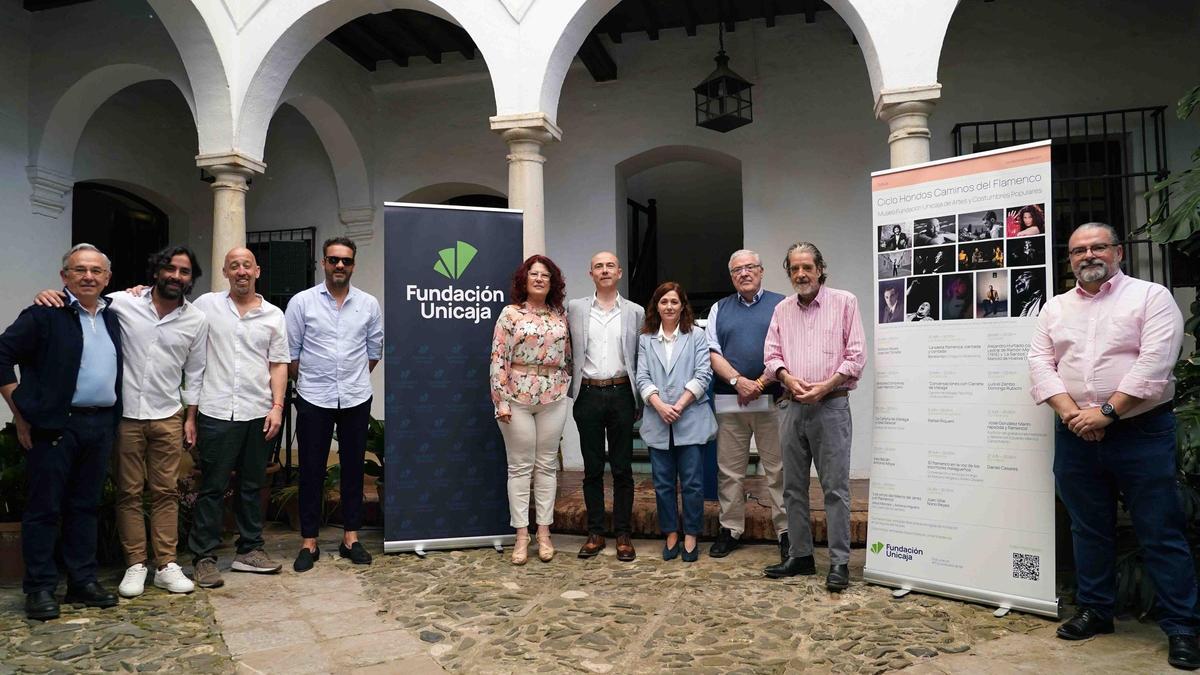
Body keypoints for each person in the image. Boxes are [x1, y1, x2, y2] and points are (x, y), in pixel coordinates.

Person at [1028, 222, 1199, 670]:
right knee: (1088, 529)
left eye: (1097, 247)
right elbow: (1041, 364)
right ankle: (1097, 610)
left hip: (1140, 434)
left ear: (1117, 252)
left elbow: (1155, 364)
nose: (1088, 255)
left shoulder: (1150, 297)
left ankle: (1182, 627)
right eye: (1078, 250)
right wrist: (1072, 415)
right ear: (1069, 260)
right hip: (1075, 434)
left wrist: (1105, 413)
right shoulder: (1056, 307)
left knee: (1160, 530)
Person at [34, 246, 207, 598]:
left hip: (167, 415)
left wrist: (191, 417)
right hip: (125, 416)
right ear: (156, 271)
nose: (176, 276)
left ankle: (166, 565)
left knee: (166, 492)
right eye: (170, 268)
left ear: (191, 279)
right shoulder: (121, 303)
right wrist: (48, 293)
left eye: (185, 271)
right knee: (128, 493)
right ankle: (135, 565)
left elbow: (196, 371)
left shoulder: (196, 320)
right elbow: (82, 297)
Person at [0, 244, 123, 620]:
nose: (88, 276)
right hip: (56, 426)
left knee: (85, 507)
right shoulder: (44, 313)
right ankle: (39, 589)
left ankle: (82, 582)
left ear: (107, 278)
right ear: (64, 276)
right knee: (44, 509)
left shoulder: (111, 316)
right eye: (79, 270)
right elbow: (2, 355)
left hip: (99, 424)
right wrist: (20, 410)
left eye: (96, 271)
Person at [761, 242, 865, 592]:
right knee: (792, 487)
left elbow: (856, 356)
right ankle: (801, 556)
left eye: (807, 267)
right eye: (794, 269)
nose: (801, 274)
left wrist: (825, 386)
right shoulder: (781, 310)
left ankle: (838, 562)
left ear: (820, 268)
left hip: (831, 406)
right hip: (791, 407)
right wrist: (788, 378)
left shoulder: (845, 302)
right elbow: (771, 356)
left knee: (835, 488)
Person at [188, 248, 290, 588]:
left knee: (251, 485)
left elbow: (278, 364)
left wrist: (277, 406)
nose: (241, 271)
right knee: (213, 487)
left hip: (258, 411)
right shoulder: (206, 306)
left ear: (257, 271)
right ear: (226, 272)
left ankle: (250, 551)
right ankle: (203, 557)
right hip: (216, 410)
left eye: (247, 265)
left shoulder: (274, 315)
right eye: (235, 266)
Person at [285, 237, 383, 572]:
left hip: (355, 396)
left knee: (353, 468)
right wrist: (316, 378)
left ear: (353, 265)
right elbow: (292, 353)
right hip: (314, 396)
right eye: (333, 260)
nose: (339, 266)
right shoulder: (302, 303)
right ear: (323, 263)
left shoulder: (368, 304)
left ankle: (351, 538)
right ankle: (309, 542)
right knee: (311, 469)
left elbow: (373, 352)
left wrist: (350, 377)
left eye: (345, 261)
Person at [705, 250, 788, 560]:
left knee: (778, 469)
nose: (744, 273)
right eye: (737, 270)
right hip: (731, 400)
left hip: (772, 398)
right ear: (731, 276)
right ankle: (730, 529)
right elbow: (712, 352)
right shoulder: (718, 309)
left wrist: (759, 384)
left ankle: (786, 532)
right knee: (729, 470)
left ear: (762, 271)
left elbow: (786, 348)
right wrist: (738, 381)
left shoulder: (782, 304)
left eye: (750, 267)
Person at [490, 255, 572, 565]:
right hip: (516, 399)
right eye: (533, 274)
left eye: (545, 275)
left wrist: (564, 386)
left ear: (553, 283)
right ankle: (522, 536)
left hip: (553, 397)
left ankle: (545, 533)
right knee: (520, 467)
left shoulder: (559, 316)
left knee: (546, 466)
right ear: (524, 280)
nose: (539, 279)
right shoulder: (510, 315)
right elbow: (498, 358)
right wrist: (500, 400)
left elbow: (568, 356)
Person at [567, 252, 642, 562]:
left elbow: (641, 355)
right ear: (591, 273)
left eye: (610, 265)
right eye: (598, 265)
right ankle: (595, 532)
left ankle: (623, 534)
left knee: (623, 468)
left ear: (620, 272)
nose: (605, 270)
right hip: (588, 394)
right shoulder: (575, 309)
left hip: (623, 393)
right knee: (592, 468)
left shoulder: (636, 312)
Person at [636, 282, 716, 563]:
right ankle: (671, 532)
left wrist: (679, 404)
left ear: (683, 306)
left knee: (693, 482)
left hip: (690, 416)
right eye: (663, 302)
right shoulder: (646, 338)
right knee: (663, 483)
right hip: (658, 419)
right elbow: (642, 377)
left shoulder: (696, 335)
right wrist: (658, 404)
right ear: (656, 306)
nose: (669, 306)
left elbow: (703, 374)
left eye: (674, 302)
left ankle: (692, 534)